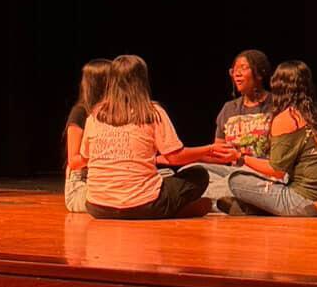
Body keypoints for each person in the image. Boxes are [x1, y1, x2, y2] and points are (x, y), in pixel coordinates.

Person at [80, 54, 236, 219]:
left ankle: (165, 209)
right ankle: (169, 211)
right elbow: (175, 157)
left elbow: (85, 158)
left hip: (97, 206)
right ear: (141, 81)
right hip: (142, 204)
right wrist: (209, 149)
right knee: (198, 174)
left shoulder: (95, 115)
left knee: (163, 178)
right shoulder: (152, 112)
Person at [220, 60, 317, 216]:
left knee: (236, 180)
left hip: (305, 200)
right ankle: (251, 208)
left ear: (278, 86)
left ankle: (256, 207)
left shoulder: (287, 118)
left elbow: (277, 170)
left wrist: (240, 157)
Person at [180, 49, 274, 204]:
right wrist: (186, 156)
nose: (237, 73)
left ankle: (212, 200)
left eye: (243, 68)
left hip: (264, 174)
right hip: (234, 172)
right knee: (189, 171)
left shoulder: (276, 105)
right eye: (234, 70)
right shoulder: (229, 109)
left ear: (259, 73)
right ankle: (236, 202)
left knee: (222, 186)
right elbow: (219, 154)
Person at [64, 58, 111, 213]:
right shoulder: (80, 113)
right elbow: (74, 161)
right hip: (82, 184)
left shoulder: (114, 113)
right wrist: (106, 157)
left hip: (108, 180)